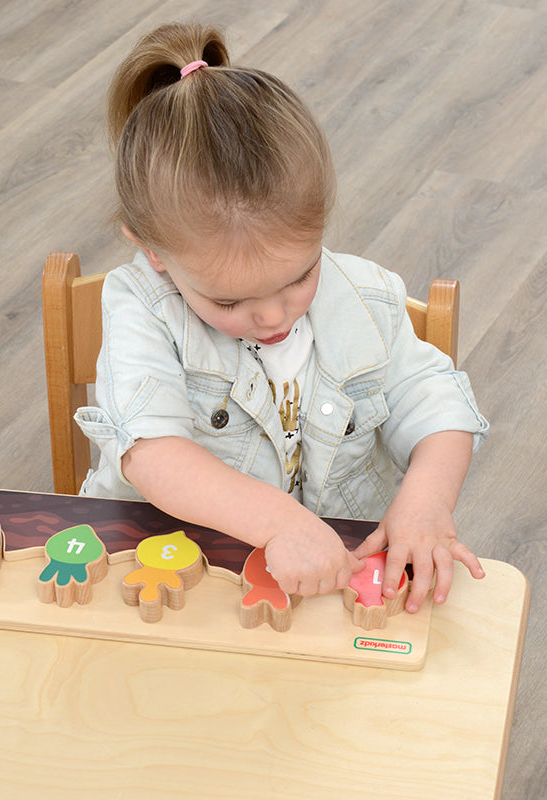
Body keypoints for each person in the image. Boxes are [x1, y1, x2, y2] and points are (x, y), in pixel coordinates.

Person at [74, 22, 489, 613]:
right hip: (165, 572)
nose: (273, 314)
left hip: (323, 583)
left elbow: (437, 403)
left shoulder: (366, 299)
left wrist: (426, 501)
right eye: (228, 302)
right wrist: (276, 524)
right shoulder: (139, 307)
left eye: (298, 276)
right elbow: (153, 453)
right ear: (152, 253)